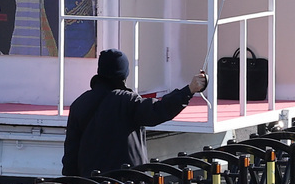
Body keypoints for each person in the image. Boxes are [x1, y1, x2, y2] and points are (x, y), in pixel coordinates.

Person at [63, 49, 207, 176]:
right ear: (123, 74)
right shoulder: (128, 101)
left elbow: (71, 151)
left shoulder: (79, 104)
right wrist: (189, 90)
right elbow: (159, 109)